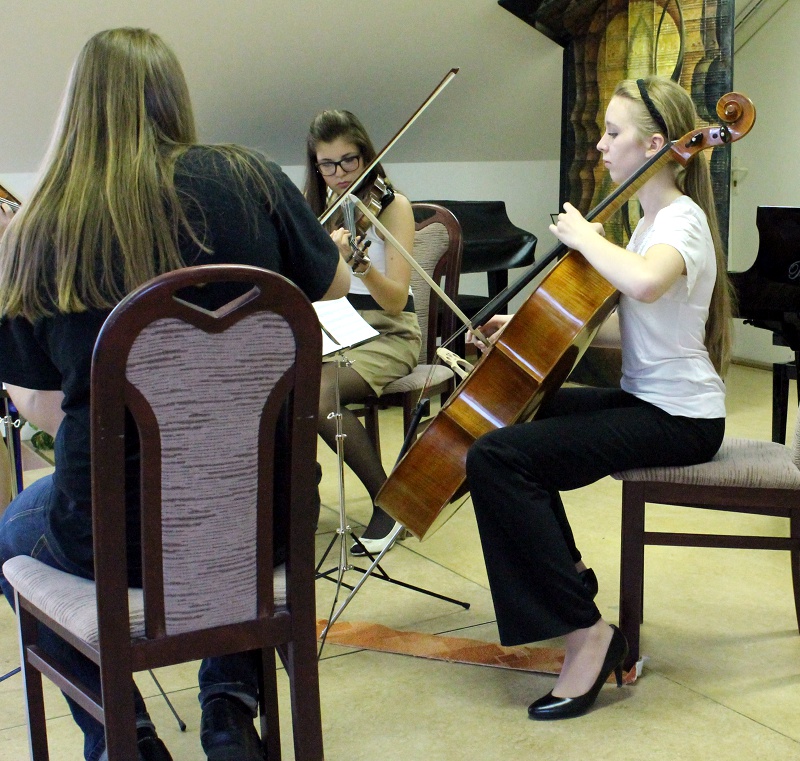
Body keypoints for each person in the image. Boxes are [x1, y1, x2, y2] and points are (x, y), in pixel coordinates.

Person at [0, 28, 350, 761]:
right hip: (269, 520)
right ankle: (230, 706)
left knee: (10, 531)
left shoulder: (40, 226)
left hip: (117, 542)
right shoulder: (251, 177)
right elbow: (333, 284)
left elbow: (48, 409)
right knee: (235, 498)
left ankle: (121, 735)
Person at [465, 76, 733, 720]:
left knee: (501, 459)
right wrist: (522, 327)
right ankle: (569, 584)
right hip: (648, 403)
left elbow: (645, 285)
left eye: (614, 133)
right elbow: (628, 323)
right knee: (508, 427)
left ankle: (587, 633)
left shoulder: (682, 220)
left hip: (684, 418)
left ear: (655, 145)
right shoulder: (648, 225)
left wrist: (586, 236)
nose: (601, 146)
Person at [304, 110, 421, 555]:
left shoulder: (392, 207)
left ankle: (389, 503)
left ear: (366, 156)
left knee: (319, 397)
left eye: (348, 161)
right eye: (327, 164)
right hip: (335, 329)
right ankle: (301, 499)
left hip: (389, 333)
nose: (339, 174)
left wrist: (361, 264)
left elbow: (396, 300)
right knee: (271, 383)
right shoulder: (316, 212)